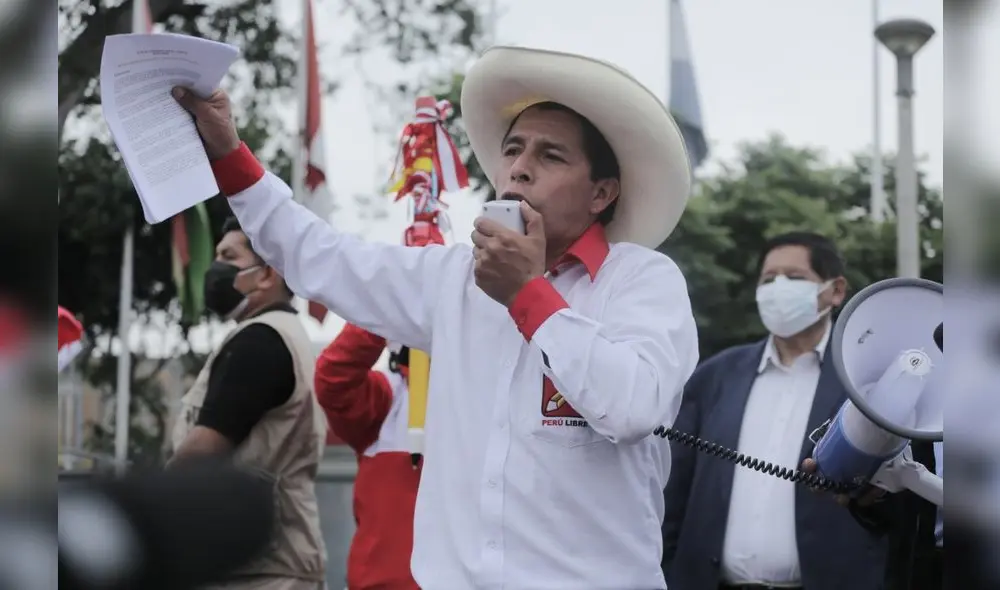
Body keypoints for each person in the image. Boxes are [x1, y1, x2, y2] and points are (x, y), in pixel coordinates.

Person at [171, 45, 699, 589]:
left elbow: (633, 407)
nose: (518, 166)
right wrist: (228, 151)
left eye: (551, 156)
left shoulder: (643, 281)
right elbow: (320, 257)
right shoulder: (453, 277)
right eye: (514, 149)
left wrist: (529, 295)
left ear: (602, 194)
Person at [661, 232, 888, 590]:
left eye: (795, 278)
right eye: (769, 280)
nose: (778, 288)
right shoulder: (715, 376)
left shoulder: (867, 384)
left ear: (835, 291)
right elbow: (674, 492)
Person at [169, 217, 328, 589]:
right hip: (273, 563)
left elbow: (203, 449)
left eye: (229, 256)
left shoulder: (260, 341)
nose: (214, 269)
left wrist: (149, 507)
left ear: (267, 274)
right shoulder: (282, 335)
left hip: (262, 571)